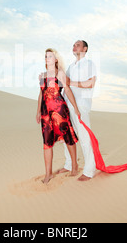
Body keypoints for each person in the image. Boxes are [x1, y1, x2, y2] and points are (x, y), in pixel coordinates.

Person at [36, 48, 81, 184]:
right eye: (45, 56)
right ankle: (48, 173)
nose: (47, 58)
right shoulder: (42, 75)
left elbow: (67, 90)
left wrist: (76, 108)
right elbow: (41, 94)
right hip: (45, 113)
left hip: (59, 110)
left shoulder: (60, 73)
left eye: (50, 56)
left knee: (68, 138)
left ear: (55, 59)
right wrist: (38, 111)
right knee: (47, 142)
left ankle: (74, 166)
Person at [60, 40, 97, 181]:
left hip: (81, 105)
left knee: (84, 138)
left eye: (78, 45)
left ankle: (89, 170)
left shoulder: (89, 64)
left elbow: (90, 83)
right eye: (73, 45)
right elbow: (63, 82)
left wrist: (71, 83)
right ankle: (69, 165)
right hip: (67, 104)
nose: (74, 46)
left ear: (85, 49)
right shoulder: (71, 66)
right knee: (67, 136)